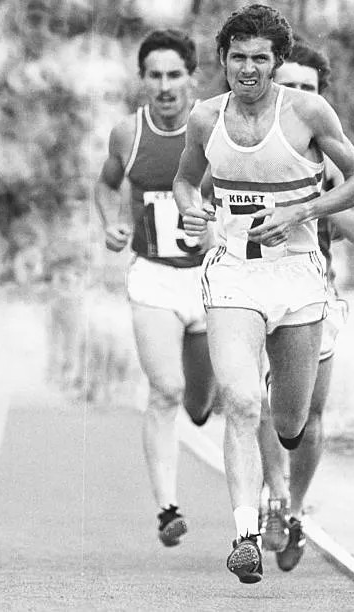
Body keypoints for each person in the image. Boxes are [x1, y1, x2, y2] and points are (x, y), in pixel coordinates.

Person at [173, 4, 354, 584]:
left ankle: (288, 494)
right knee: (240, 401)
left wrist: (301, 211)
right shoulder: (205, 118)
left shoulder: (308, 112)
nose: (248, 69)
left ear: (276, 62)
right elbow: (186, 180)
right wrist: (192, 210)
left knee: (291, 421)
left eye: (260, 58)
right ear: (223, 59)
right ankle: (244, 535)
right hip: (233, 274)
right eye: (238, 57)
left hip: (300, 277)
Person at [258, 38, 354, 572]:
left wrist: (311, 204)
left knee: (309, 413)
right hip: (254, 288)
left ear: (320, 95)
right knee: (260, 399)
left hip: (314, 293)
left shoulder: (330, 155)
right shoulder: (245, 140)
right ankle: (275, 498)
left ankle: (297, 510)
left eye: (308, 87)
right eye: (290, 85)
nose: (298, 94)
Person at [94, 29, 216, 548]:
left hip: (209, 277)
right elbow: (106, 184)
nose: (165, 86)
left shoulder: (215, 127)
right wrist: (112, 224)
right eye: (155, 76)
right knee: (166, 389)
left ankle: (203, 405)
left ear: (192, 78)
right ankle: (168, 509)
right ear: (142, 79)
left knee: (200, 403)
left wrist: (216, 227)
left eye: (174, 75)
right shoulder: (128, 133)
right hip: (154, 276)